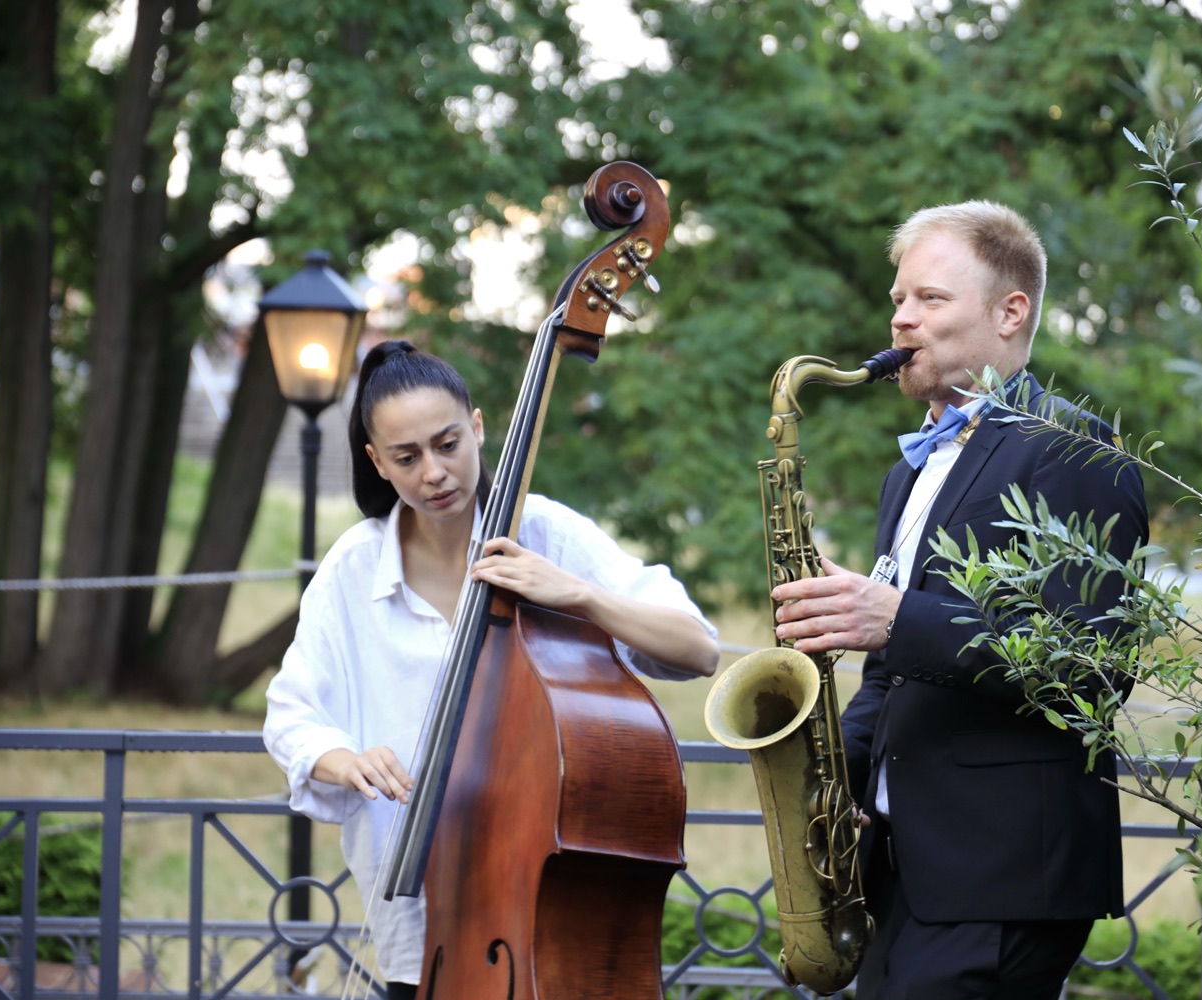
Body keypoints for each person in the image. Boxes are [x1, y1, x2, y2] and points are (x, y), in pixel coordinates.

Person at [771, 201, 1149, 999]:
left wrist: (894, 618)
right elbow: (891, 672)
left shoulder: (1073, 449)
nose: (901, 319)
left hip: (1001, 871)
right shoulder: (909, 470)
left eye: (930, 299)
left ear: (1011, 312)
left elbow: (1090, 666)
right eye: (897, 299)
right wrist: (838, 778)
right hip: (904, 868)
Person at [263, 341, 719, 999]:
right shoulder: (353, 568)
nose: (435, 472)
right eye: (407, 457)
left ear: (477, 428)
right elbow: (291, 715)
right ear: (376, 463)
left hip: (544, 919)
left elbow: (697, 649)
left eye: (448, 443)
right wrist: (347, 759)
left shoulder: (548, 536)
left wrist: (580, 594)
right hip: (417, 923)